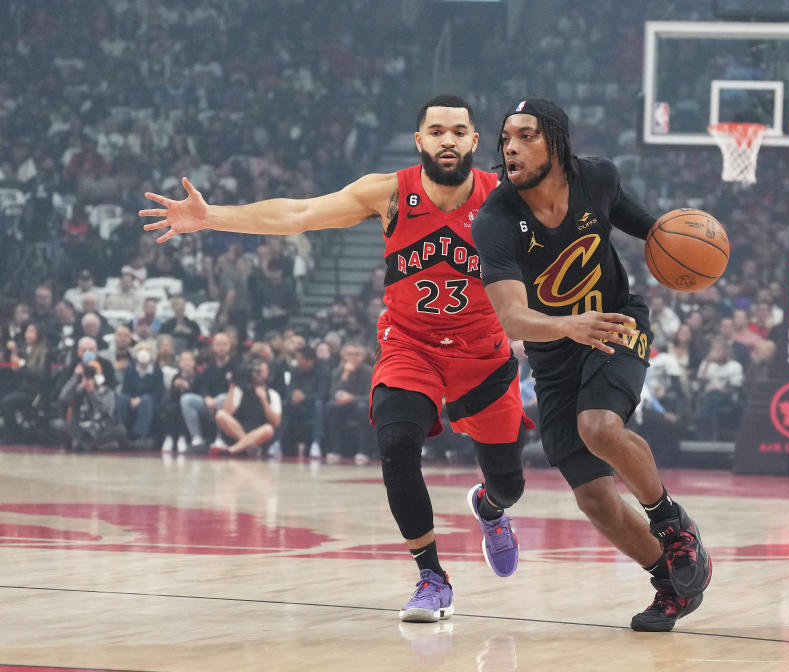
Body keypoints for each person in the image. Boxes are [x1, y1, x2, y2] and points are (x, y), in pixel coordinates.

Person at [140, 95, 533, 623]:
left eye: (458, 132)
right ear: (419, 141)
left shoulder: (504, 200)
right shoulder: (389, 192)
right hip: (409, 344)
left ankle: (490, 507)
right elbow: (298, 214)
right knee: (395, 443)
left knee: (510, 482)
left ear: (475, 141)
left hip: (482, 352)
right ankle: (432, 577)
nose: (447, 140)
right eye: (436, 131)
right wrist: (212, 217)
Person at [471, 99, 710, 632]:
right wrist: (568, 326)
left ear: (555, 141)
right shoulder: (495, 220)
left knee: (599, 427)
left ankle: (674, 526)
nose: (510, 146)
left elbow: (654, 231)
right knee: (596, 498)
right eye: (506, 137)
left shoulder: (597, 179)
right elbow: (512, 317)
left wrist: (692, 249)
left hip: (616, 323)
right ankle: (669, 583)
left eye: (525, 136)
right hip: (555, 351)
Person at [215, 358, 282, 456]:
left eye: (262, 371)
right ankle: (247, 446)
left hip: (259, 436)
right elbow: (227, 412)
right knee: (220, 415)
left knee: (268, 429)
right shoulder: (240, 390)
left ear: (268, 373)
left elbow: (276, 422)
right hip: (238, 431)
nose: (258, 374)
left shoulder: (273, 394)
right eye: (256, 371)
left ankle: (232, 450)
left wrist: (264, 400)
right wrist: (232, 387)